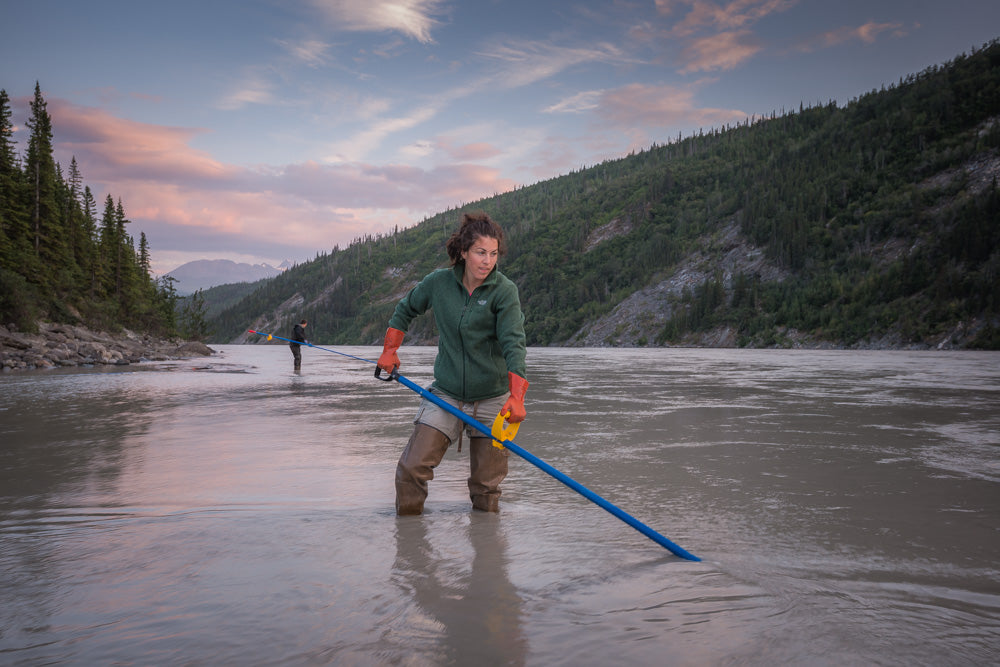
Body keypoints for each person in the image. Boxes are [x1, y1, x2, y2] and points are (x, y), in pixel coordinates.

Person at [377, 211, 528, 515]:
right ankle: (409, 545)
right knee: (411, 469)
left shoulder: (504, 291)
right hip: (445, 394)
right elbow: (405, 309)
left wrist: (516, 396)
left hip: (493, 400)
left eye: (494, 254)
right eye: (480, 252)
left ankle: (488, 555)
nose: (487, 261)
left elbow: (514, 342)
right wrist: (390, 350)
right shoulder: (439, 283)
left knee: (486, 489)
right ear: (463, 252)